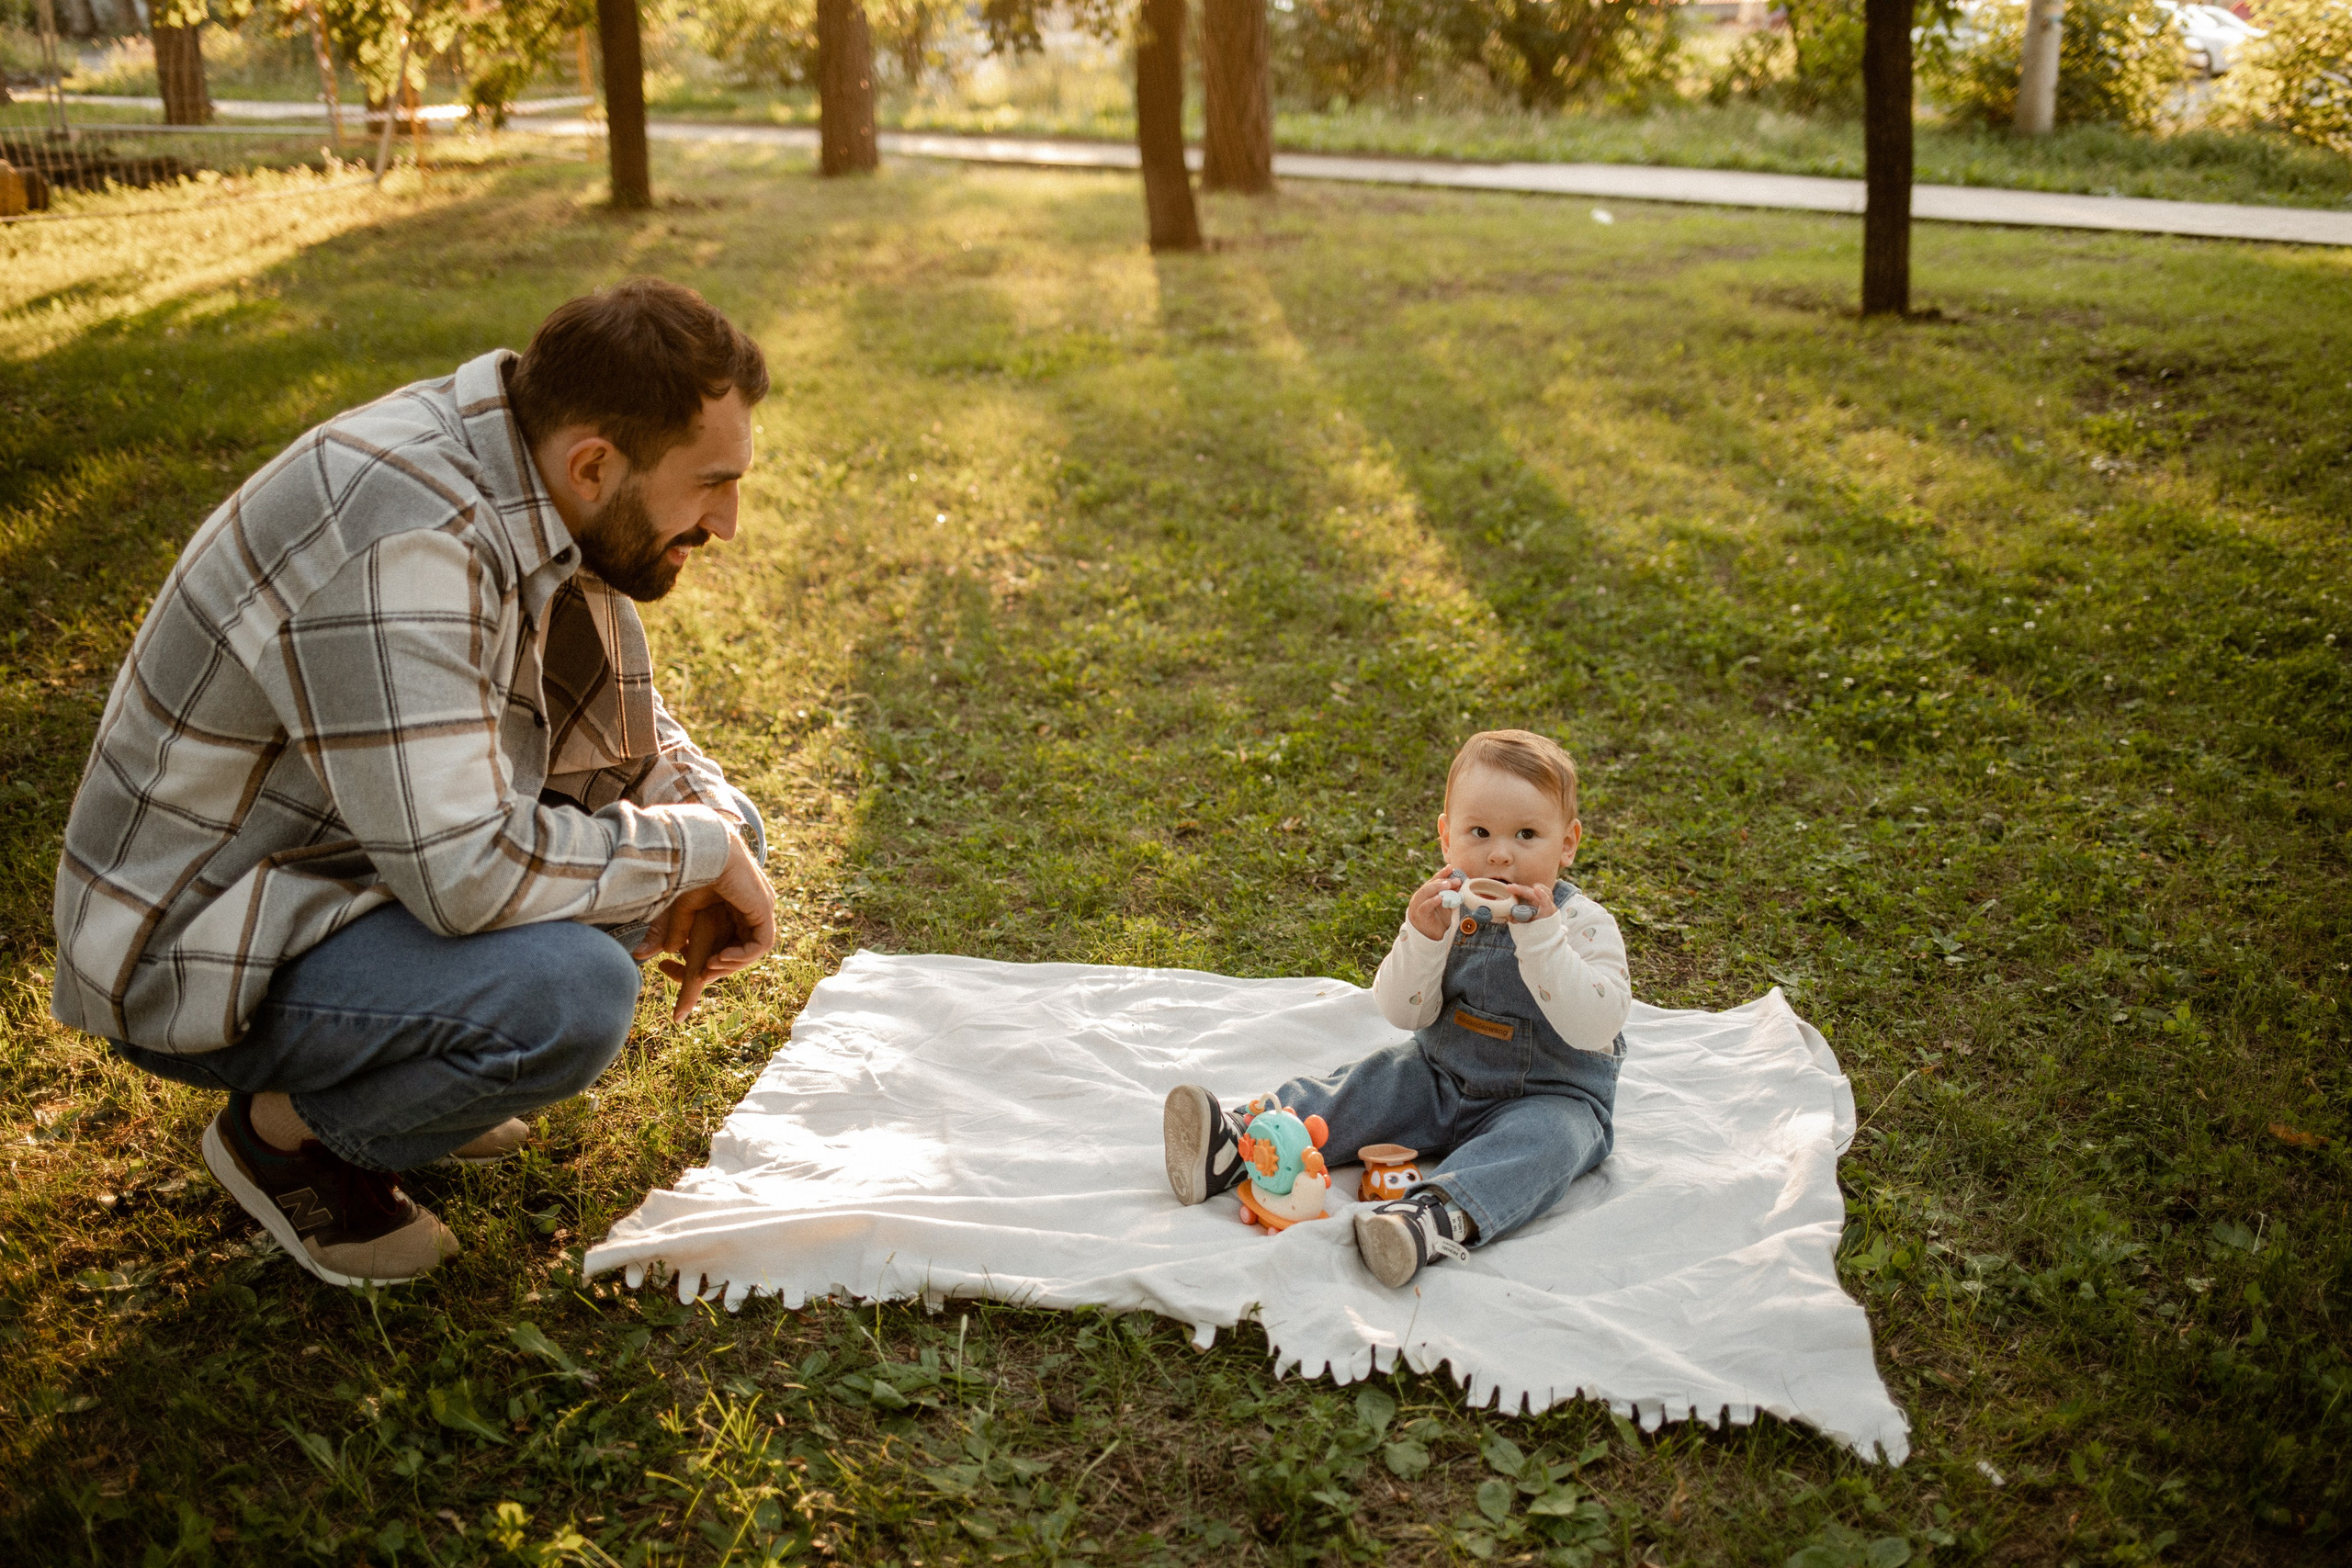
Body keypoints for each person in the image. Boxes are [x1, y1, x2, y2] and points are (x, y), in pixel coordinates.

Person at [49, 277, 780, 1288]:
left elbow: (615, 730)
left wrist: (714, 824)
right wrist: (698, 848)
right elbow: (470, 873)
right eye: (711, 484)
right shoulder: (408, 541)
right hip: (206, 938)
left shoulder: (533, 476)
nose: (729, 522)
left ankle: (403, 1062)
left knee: (708, 833)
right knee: (568, 995)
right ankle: (285, 1135)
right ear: (597, 463)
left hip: (354, 867)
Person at [1162, 729, 1632, 1287]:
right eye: (1479, 832)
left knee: (1550, 1145)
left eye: (1527, 834)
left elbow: (1595, 1025)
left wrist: (1543, 940)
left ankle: (1432, 1218)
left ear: (1568, 844)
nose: (1501, 853)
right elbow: (1402, 1012)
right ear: (1445, 838)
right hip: (1441, 1076)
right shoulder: (1448, 912)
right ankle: (1242, 1143)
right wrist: (1423, 938)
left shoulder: (1582, 926)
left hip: (1552, 1095)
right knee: (1371, 1083)